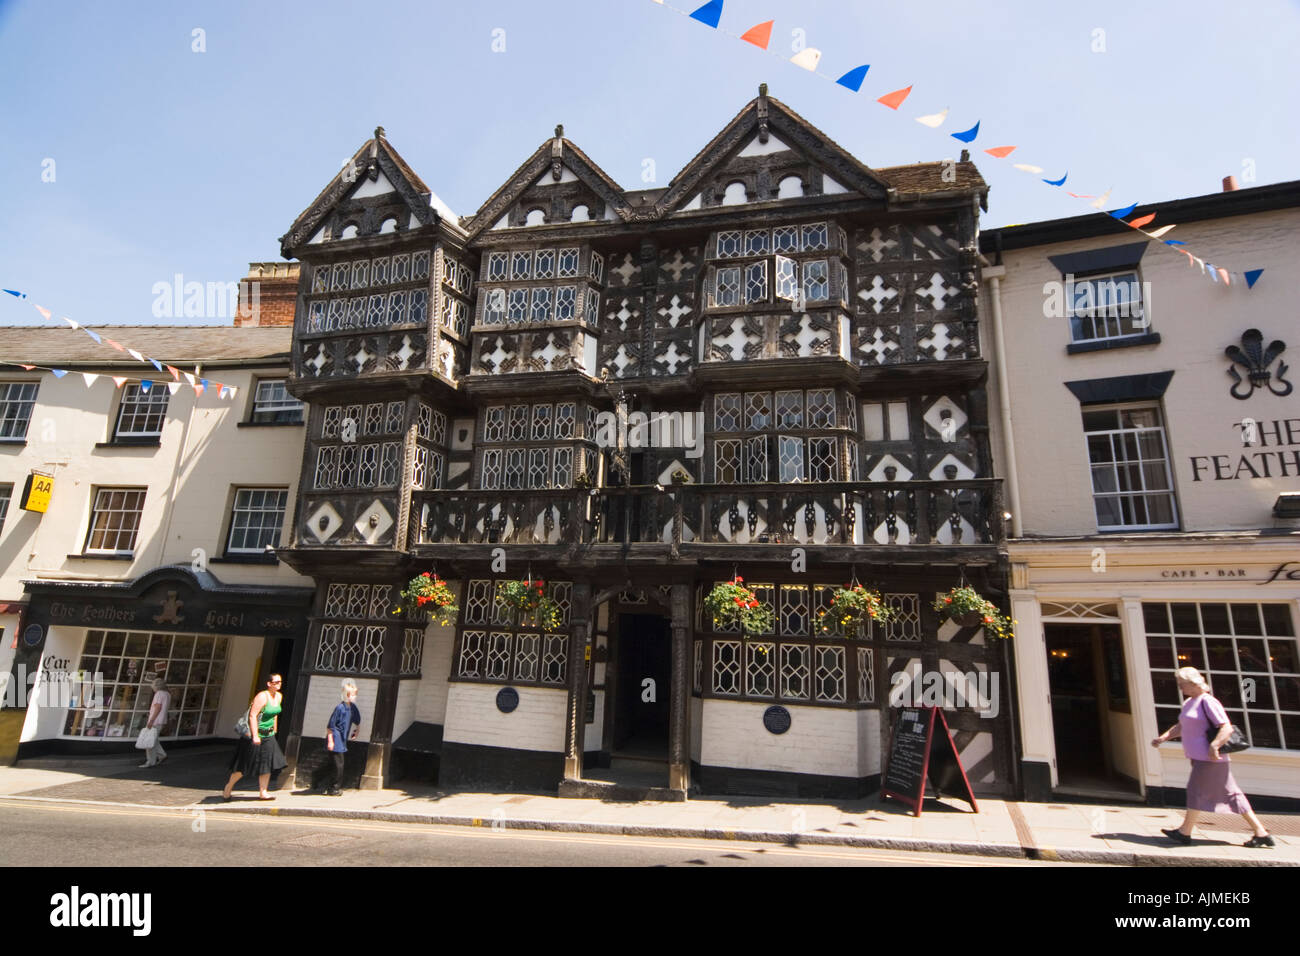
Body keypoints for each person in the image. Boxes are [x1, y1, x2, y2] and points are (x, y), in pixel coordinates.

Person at [1151, 666, 1274, 848]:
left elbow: (1226, 727)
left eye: (1182, 684)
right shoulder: (1189, 702)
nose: (1180, 688)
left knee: (1195, 790)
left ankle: (1184, 832)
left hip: (1210, 758)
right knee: (1233, 795)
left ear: (1193, 683)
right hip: (1199, 757)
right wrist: (1164, 737)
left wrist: (1214, 746)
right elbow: (1182, 726)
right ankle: (1261, 832)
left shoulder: (1208, 701)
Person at [221, 674, 287, 801]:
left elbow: (275, 714)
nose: (279, 684)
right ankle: (228, 787)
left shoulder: (279, 696)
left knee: (267, 763)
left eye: (280, 682)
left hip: (269, 734)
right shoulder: (262, 696)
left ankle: (263, 792)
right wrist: (255, 735)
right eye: (276, 682)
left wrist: (275, 728)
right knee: (244, 765)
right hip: (255, 734)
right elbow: (252, 715)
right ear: (269, 683)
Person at [320, 680, 362, 796]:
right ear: (348, 695)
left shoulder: (352, 708)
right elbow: (330, 726)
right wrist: (330, 741)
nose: (355, 696)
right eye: (354, 694)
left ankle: (329, 786)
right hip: (336, 738)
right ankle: (334, 788)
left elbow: (357, 720)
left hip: (343, 739)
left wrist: (356, 730)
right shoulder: (339, 708)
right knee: (339, 765)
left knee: (335, 764)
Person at [138, 679, 171, 768]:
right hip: (162, 720)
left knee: (149, 741)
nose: (152, 688)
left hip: (155, 721)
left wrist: (151, 720)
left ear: (157, 686)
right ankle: (162, 755)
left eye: (153, 686)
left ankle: (150, 761)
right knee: (154, 740)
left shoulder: (159, 694)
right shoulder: (167, 694)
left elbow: (158, 707)